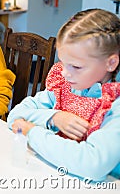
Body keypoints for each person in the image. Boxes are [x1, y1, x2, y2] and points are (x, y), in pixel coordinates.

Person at [7, 9, 120, 181]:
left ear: (111, 63)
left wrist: (32, 132)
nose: (65, 73)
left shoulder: (115, 104)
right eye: (62, 63)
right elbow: (15, 115)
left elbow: (92, 164)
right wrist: (54, 117)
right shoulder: (67, 86)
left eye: (76, 66)